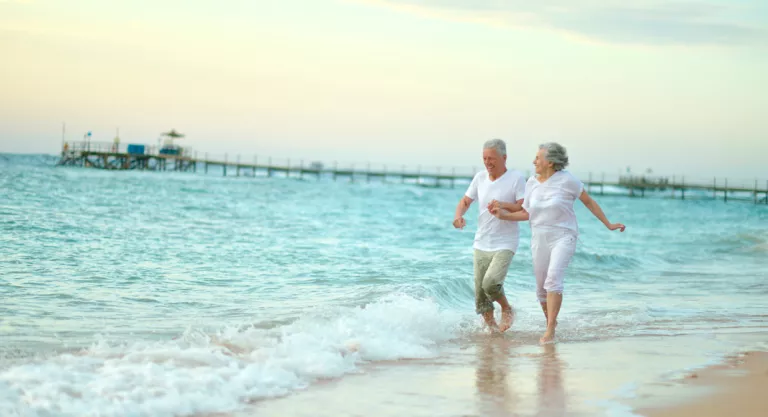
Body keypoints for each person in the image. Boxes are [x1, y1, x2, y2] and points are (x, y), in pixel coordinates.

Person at [490, 142, 625, 344]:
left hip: (564, 235)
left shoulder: (567, 180)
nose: (534, 161)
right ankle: (550, 322)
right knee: (540, 289)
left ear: (550, 162)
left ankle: (551, 329)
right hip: (539, 237)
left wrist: (608, 224)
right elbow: (527, 213)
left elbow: (588, 201)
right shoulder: (532, 183)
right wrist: (503, 215)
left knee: (553, 279)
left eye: (538, 158)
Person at [453, 139, 527, 333]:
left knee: (491, 283)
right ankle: (494, 333)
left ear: (504, 158)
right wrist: (458, 216)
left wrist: (502, 205)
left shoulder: (516, 178)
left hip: (506, 242)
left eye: (492, 158)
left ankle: (506, 308)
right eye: (485, 158)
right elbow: (465, 201)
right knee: (480, 296)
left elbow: (523, 206)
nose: (488, 162)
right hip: (481, 242)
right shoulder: (480, 178)